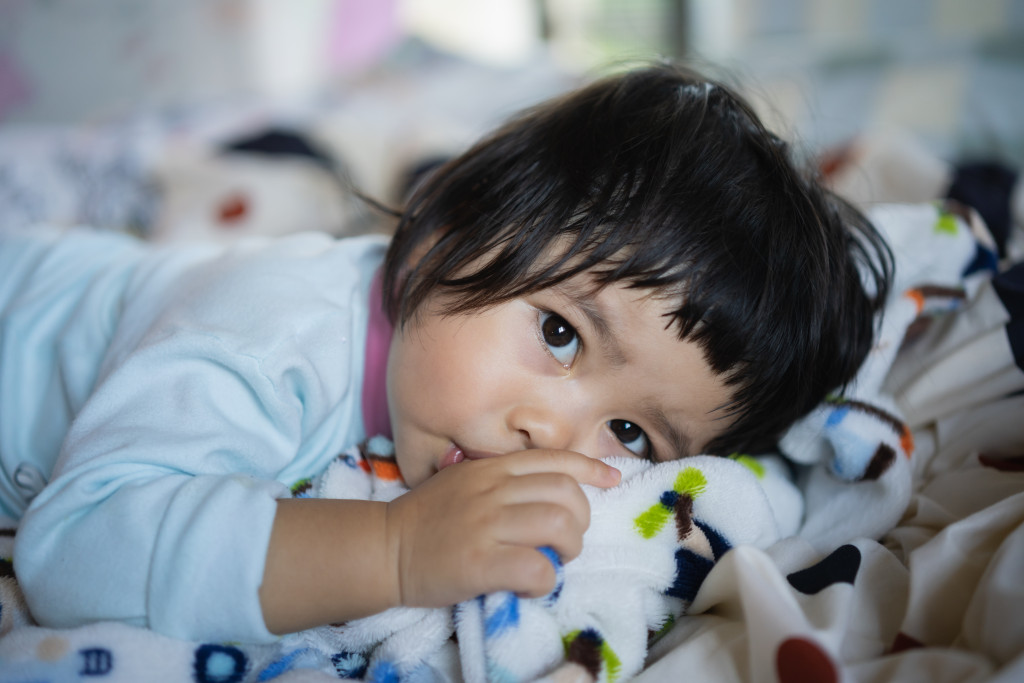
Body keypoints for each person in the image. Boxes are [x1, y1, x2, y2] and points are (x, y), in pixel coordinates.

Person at [1, 63, 891, 643]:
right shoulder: (273, 339)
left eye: (629, 431)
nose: (552, 433)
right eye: (559, 332)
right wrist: (394, 550)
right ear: (441, 234)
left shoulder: (439, 390)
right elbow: (79, 548)